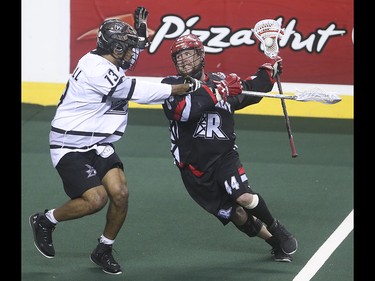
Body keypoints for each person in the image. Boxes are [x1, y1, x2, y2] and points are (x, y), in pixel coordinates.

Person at [29, 8, 202, 275]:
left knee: (120, 194)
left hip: (98, 143)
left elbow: (130, 59)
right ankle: (46, 220)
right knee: (96, 199)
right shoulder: (95, 69)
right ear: (115, 47)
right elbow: (136, 91)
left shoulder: (110, 58)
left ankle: (104, 249)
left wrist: (140, 33)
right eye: (128, 48)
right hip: (70, 145)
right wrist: (181, 87)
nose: (133, 54)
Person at [161, 34, 298, 262]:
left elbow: (247, 90)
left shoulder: (220, 81)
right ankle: (274, 242)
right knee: (237, 214)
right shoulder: (172, 85)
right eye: (179, 57)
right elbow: (182, 112)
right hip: (194, 169)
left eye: (189, 54)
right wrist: (220, 92)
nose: (184, 60)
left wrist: (268, 73)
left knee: (244, 197)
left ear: (201, 55)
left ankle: (277, 229)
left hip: (224, 157)